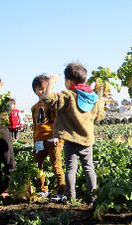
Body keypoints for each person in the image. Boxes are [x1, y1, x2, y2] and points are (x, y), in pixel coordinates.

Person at [40, 62, 105, 205]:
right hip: (87, 141)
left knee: (70, 168)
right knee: (89, 168)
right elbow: (100, 115)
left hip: (71, 139)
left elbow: (47, 100)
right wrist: (100, 96)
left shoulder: (68, 96)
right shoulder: (93, 98)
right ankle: (92, 198)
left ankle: (71, 199)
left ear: (69, 81)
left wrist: (50, 82)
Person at [31, 74, 66, 199]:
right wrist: (35, 142)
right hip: (40, 141)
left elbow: (61, 121)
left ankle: (62, 192)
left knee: (56, 166)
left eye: (44, 88)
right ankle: (42, 189)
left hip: (54, 139)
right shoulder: (34, 108)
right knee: (37, 165)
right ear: (35, 91)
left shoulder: (53, 104)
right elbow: (35, 126)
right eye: (39, 89)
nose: (42, 91)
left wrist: (61, 139)